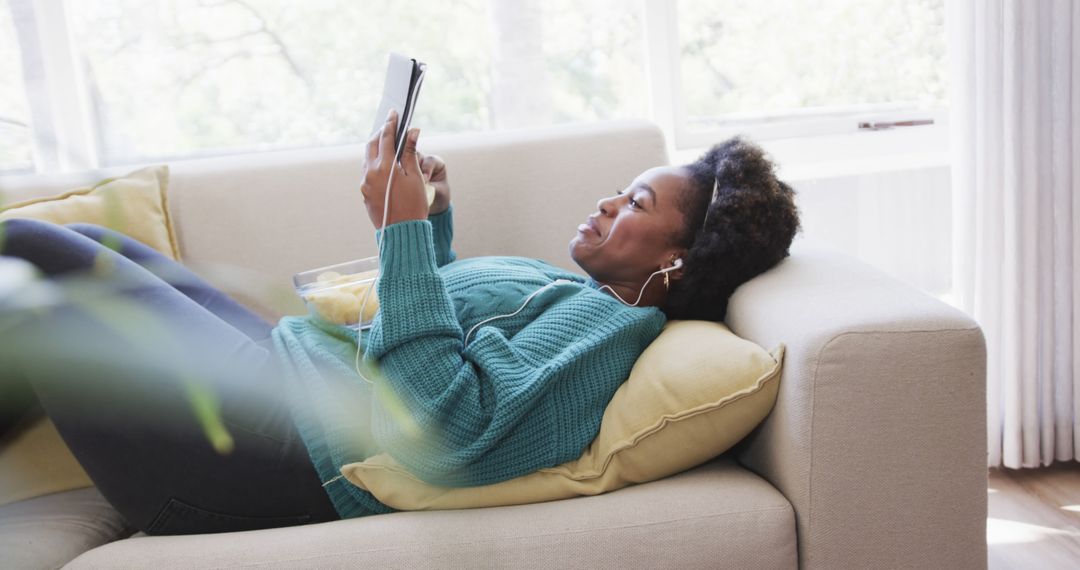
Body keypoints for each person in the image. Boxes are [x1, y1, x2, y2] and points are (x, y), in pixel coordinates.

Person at [0, 111, 800, 535]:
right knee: (96, 246)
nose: (606, 202)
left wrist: (401, 231)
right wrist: (435, 222)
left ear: (678, 265)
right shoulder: (572, 293)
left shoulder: (603, 337)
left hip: (262, 460)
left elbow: (448, 432)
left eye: (636, 204)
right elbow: (454, 335)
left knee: (28, 250)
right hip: (285, 390)